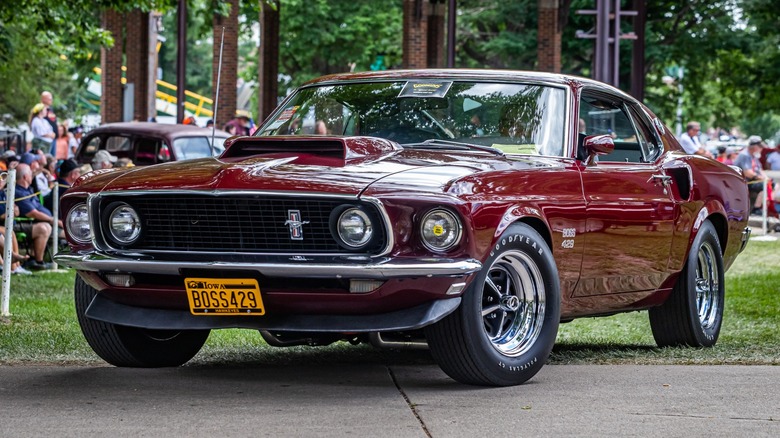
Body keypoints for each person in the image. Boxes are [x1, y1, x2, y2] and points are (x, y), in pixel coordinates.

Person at [13, 164, 54, 270]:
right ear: (25, 177)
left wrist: (41, 170)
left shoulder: (29, 189)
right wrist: (51, 219)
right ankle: (38, 261)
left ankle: (34, 259)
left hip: (32, 222)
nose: (33, 176)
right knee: (44, 228)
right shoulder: (19, 192)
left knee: (47, 226)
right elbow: (32, 213)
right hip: (20, 224)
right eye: (31, 174)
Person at [0, 175, 32, 275]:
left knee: (10, 232)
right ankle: (9, 266)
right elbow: (3, 215)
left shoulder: (3, 193)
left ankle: (15, 265)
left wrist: (12, 211)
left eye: (3, 179)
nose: (2, 181)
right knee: (8, 233)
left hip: (6, 225)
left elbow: (16, 211)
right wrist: (11, 211)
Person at [735, 136, 774, 215]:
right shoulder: (744, 155)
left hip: (752, 180)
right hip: (743, 182)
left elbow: (759, 169)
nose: (761, 149)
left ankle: (762, 207)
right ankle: (756, 208)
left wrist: (766, 177)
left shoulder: (753, 156)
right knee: (762, 185)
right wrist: (761, 178)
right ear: (754, 147)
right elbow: (747, 172)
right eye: (759, 147)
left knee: (771, 183)